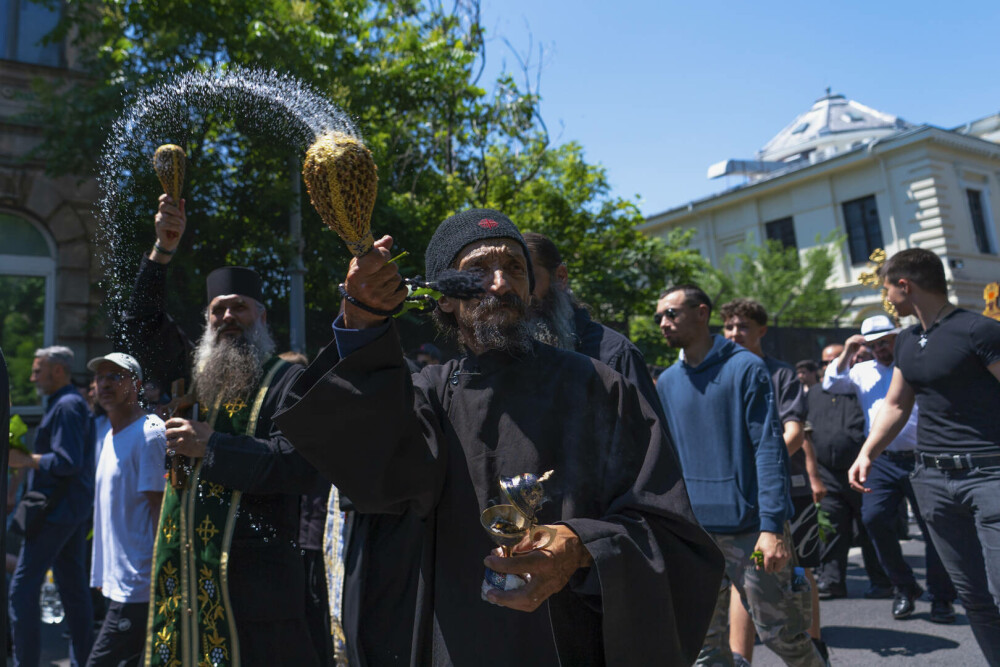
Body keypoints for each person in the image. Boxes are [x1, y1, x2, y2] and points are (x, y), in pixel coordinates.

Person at [275, 209, 725, 666]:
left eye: (514, 268)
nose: (501, 284)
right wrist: (362, 319)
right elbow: (377, 476)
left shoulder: (600, 387)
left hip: (572, 642)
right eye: (478, 270)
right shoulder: (427, 396)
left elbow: (669, 530)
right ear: (445, 299)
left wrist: (582, 547)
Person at [121, 194, 324, 666]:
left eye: (240, 308)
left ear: (262, 317)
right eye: (218, 310)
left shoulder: (290, 381)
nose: (228, 317)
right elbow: (140, 323)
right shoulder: (194, 377)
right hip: (188, 578)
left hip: (256, 591)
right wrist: (162, 250)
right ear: (208, 321)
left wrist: (211, 446)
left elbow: (296, 466)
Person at [655, 286, 824, 667]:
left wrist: (771, 527)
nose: (663, 323)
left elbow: (769, 448)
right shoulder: (666, 382)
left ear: (701, 313)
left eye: (671, 314)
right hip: (695, 533)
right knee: (702, 646)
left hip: (750, 530)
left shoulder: (746, 367)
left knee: (784, 636)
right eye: (659, 317)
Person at [849, 248, 1000, 663]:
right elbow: (896, 406)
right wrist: (868, 452)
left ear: (905, 285)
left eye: (887, 289)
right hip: (932, 481)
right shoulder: (907, 341)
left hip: (990, 475)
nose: (886, 298)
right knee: (974, 598)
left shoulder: (979, 331)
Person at [824, 315, 957, 623]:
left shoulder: (915, 363)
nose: (880, 349)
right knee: (873, 519)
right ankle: (904, 587)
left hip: (922, 457)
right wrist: (847, 350)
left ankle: (941, 597)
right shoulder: (861, 371)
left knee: (933, 528)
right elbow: (830, 381)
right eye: (873, 344)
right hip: (882, 459)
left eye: (885, 341)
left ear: (897, 338)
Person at [719, 298, 828, 664]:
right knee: (744, 574)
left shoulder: (781, 374)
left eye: (744, 327)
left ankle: (813, 647)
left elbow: (795, 434)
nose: (735, 334)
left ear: (762, 331)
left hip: (788, 491)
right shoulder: (719, 375)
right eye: (730, 327)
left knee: (798, 572)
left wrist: (755, 464)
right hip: (742, 501)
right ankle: (740, 658)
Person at [8, 346, 95, 667]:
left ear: (58, 370)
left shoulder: (68, 406)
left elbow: (67, 462)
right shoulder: (66, 403)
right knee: (73, 591)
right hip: (66, 511)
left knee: (21, 591)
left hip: (55, 512)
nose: (32, 377)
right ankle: (84, 661)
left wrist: (26, 459)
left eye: (37, 370)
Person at [85, 353, 165, 667]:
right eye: (100, 377)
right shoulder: (107, 433)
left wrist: (162, 580)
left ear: (137, 385)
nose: (104, 383)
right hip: (118, 582)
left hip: (140, 585)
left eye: (115, 376)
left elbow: (160, 510)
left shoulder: (150, 432)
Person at [524, 232, 662, 414]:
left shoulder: (617, 356)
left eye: (526, 276)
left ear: (560, 277)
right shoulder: (507, 358)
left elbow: (651, 440)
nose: (518, 291)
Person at [810, 345, 891, 600]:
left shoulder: (863, 388)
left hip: (865, 470)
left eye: (839, 360)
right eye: (826, 362)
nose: (832, 366)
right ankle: (832, 582)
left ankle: (882, 582)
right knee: (832, 529)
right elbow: (805, 432)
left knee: (871, 526)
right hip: (828, 474)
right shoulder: (814, 393)